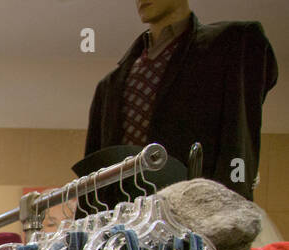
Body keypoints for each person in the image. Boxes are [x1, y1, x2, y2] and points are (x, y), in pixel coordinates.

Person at [84, 0, 277, 200]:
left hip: (196, 213)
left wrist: (231, 209)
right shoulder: (109, 86)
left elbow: (239, 135)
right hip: (122, 218)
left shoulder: (235, 43)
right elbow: (94, 177)